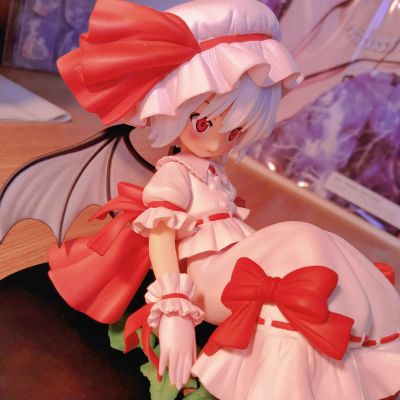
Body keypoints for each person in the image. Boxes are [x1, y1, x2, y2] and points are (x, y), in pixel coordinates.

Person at [4, 0, 400, 399]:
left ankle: (379, 346)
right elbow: (161, 239)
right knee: (304, 237)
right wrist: (173, 310)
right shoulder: (175, 174)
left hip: (241, 271)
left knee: (329, 246)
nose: (215, 142)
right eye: (204, 122)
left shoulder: (215, 175)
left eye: (235, 132)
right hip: (208, 284)